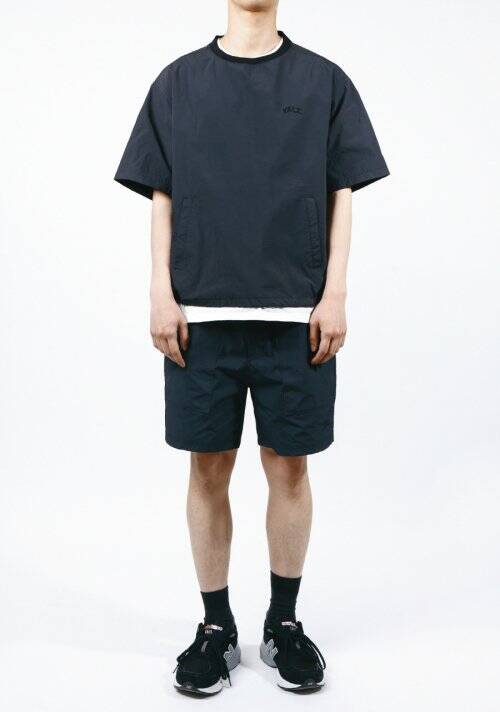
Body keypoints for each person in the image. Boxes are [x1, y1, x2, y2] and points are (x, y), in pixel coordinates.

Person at [115, 0, 388, 696]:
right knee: (208, 470)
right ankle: (215, 627)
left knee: (289, 469)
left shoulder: (324, 82)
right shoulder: (178, 83)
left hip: (298, 315)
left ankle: (283, 624)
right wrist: (159, 291)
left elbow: (343, 191)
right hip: (200, 315)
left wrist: (335, 292)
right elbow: (161, 193)